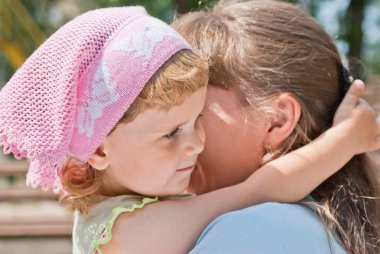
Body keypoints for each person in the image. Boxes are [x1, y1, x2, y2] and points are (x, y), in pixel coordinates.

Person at [0, 5, 378, 254]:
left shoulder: (248, 232)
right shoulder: (134, 227)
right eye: (170, 131)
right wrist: (344, 141)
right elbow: (264, 188)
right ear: (98, 151)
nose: (195, 142)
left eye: (199, 117)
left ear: (279, 120)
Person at [172, 0, 380, 253]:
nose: (169, 128)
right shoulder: (317, 230)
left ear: (278, 120)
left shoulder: (249, 232)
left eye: (195, 111)